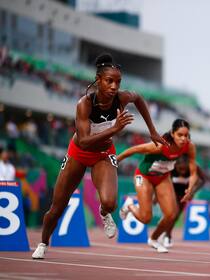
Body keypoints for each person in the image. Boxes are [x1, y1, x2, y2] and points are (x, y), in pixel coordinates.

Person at [32, 53, 166, 259]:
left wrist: (153, 131)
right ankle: (42, 243)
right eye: (109, 81)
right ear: (98, 80)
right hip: (78, 152)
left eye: (118, 82)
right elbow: (84, 141)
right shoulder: (84, 104)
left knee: (110, 202)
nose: (114, 86)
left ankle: (105, 214)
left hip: (103, 153)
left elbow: (138, 98)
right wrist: (115, 129)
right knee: (57, 207)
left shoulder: (121, 98)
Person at [118, 119, 198, 253]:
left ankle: (154, 239)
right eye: (180, 135)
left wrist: (191, 186)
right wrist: (117, 159)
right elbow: (134, 149)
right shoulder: (160, 146)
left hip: (162, 177)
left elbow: (193, 170)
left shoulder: (189, 146)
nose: (184, 138)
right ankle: (129, 206)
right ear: (172, 133)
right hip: (143, 177)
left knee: (172, 215)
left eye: (186, 135)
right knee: (145, 218)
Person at [162, 155, 207, 248]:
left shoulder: (194, 167)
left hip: (184, 194)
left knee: (177, 215)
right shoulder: (171, 167)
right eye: (180, 169)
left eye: (184, 169)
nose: (182, 171)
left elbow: (203, 180)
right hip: (171, 191)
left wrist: (193, 191)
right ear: (176, 165)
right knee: (172, 213)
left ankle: (166, 233)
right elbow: (161, 179)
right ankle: (167, 236)